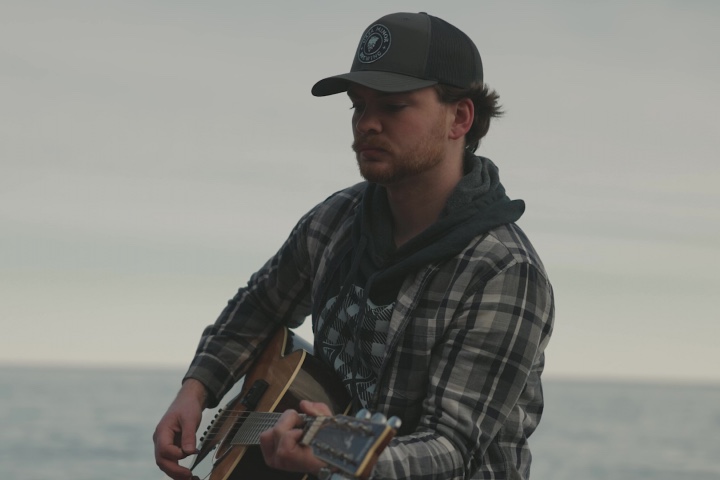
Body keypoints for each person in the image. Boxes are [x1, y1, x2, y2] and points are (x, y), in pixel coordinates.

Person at [153, 11, 554, 480]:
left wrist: (332, 451)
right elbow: (260, 304)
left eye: (393, 106)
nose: (367, 124)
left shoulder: (503, 271)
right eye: (358, 106)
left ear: (460, 117)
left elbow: (452, 446)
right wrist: (196, 391)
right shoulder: (337, 219)